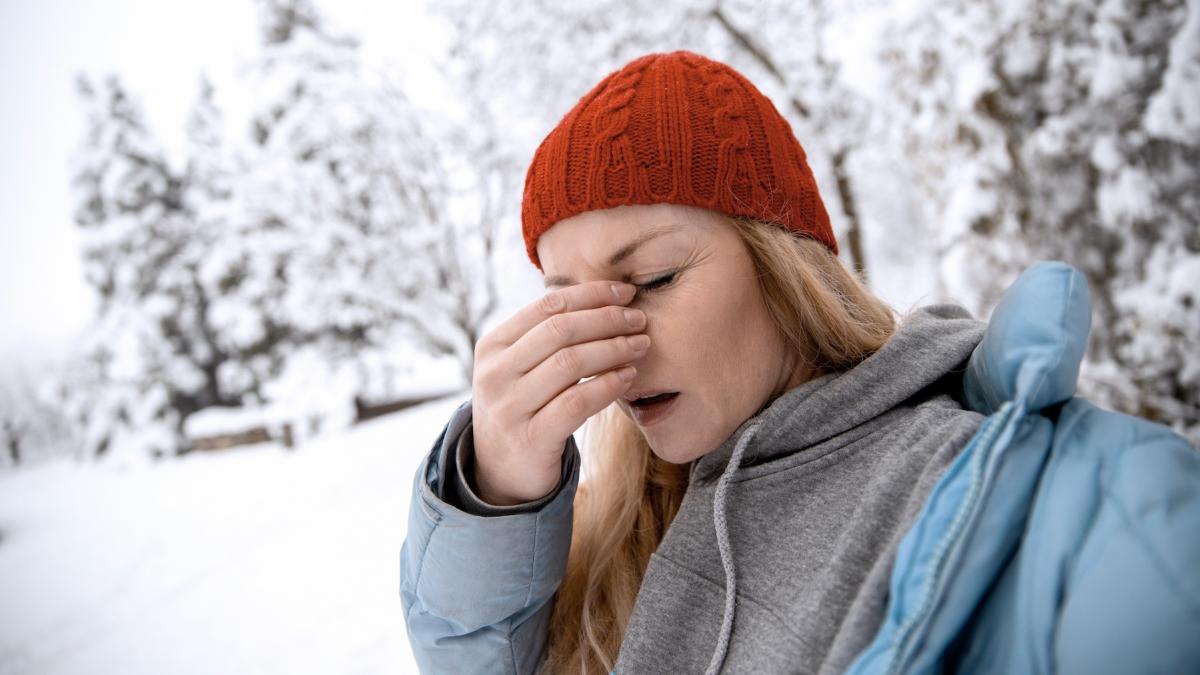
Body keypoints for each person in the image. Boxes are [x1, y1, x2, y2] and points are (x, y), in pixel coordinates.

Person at [400, 50, 1200, 675]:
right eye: (566, 303)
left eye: (652, 280)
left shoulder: (1009, 485)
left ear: (782, 265)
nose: (611, 343)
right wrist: (497, 491)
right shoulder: (628, 520)